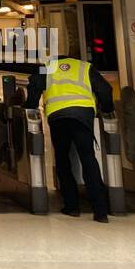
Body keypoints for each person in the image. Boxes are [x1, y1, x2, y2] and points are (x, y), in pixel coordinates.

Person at [24, 52, 115, 223]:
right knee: (88, 159)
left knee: (63, 160)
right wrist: (108, 108)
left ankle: (72, 206)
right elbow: (104, 89)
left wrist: (29, 106)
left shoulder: (48, 67)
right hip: (83, 116)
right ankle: (100, 211)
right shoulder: (84, 67)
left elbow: (34, 87)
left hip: (58, 116)